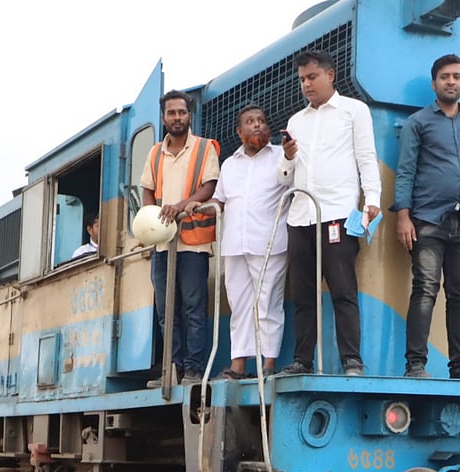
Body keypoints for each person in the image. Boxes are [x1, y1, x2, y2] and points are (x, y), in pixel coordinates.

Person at [394, 55, 460, 381]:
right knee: (425, 289)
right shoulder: (418, 122)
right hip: (427, 220)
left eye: (456, 76)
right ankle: (415, 366)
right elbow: (405, 171)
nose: (451, 81)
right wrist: (403, 216)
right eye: (444, 77)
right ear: (434, 83)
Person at [277, 49, 381, 377]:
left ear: (330, 75)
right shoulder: (296, 121)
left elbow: (366, 157)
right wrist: (287, 156)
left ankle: (352, 360)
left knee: (343, 290)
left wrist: (372, 199)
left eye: (312, 77)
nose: (306, 85)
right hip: (300, 216)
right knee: (303, 295)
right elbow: (284, 177)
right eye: (302, 80)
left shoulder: (354, 110)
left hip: (337, 212)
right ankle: (302, 360)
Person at [140, 90, 220, 386]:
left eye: (182, 112)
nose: (177, 117)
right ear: (163, 118)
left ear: (190, 115)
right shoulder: (154, 153)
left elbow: (209, 185)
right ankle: (170, 370)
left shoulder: (204, 148)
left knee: (193, 307)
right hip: (163, 243)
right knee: (166, 310)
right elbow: (147, 189)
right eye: (172, 113)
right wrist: (151, 217)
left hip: (193, 242)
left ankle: (193, 370)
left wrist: (183, 205)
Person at [212, 104, 289, 379]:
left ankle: (268, 364)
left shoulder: (280, 156)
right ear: (239, 131)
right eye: (250, 121)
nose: (257, 124)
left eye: (261, 120)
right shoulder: (229, 164)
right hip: (234, 243)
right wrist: (197, 207)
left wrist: (290, 156)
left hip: (269, 242)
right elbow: (220, 200)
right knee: (239, 304)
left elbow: (292, 182)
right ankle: (238, 365)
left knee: (267, 303)